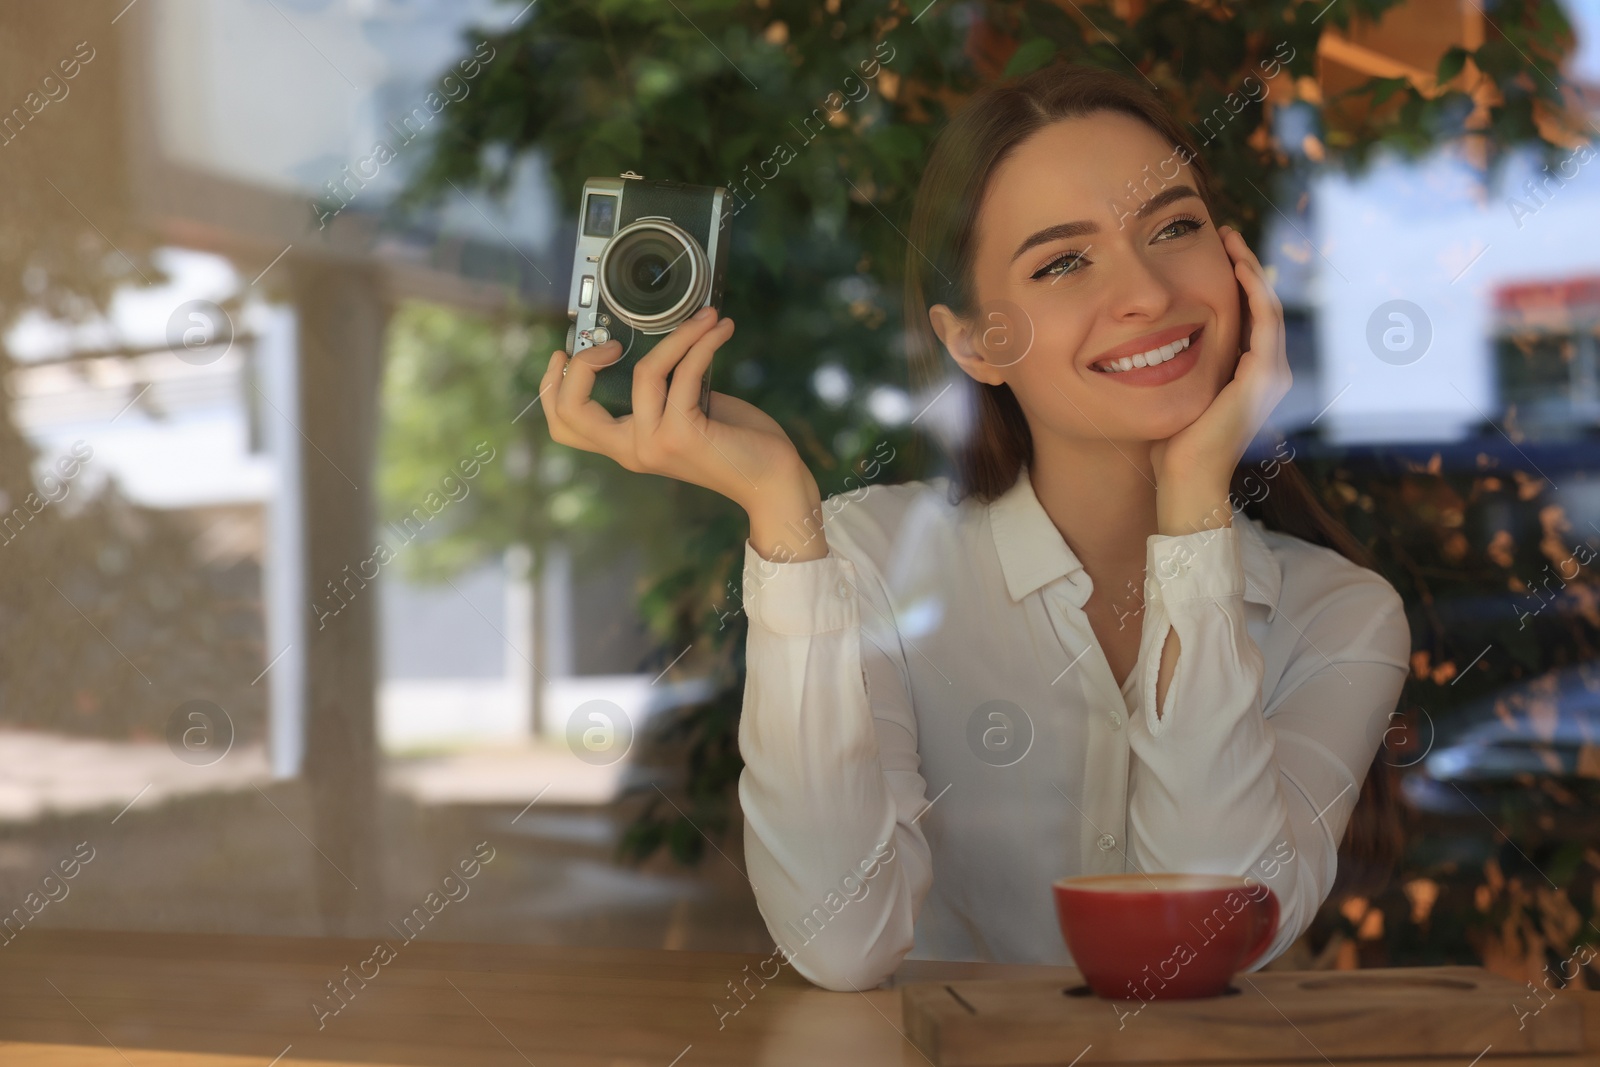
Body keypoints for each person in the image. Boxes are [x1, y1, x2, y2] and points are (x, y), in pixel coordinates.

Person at [539, 62, 1412, 992]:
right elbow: (842, 941)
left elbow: (1190, 951)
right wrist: (784, 522)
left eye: (1175, 226)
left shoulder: (1340, 617)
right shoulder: (871, 562)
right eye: (1064, 261)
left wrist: (1193, 498)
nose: (1149, 294)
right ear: (974, 342)